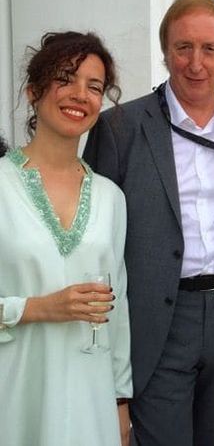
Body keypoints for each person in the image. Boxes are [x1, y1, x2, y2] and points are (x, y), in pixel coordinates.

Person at [84, 0, 214, 446]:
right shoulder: (118, 127)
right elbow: (95, 234)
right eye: (183, 47)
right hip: (155, 316)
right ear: (166, 51)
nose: (196, 62)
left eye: (209, 49)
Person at [0, 31, 131, 446]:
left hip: (90, 401)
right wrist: (37, 308)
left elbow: (118, 308)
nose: (81, 95)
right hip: (15, 396)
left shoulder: (111, 197)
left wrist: (120, 398)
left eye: (94, 86)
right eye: (65, 78)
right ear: (34, 91)